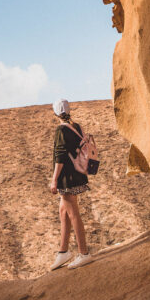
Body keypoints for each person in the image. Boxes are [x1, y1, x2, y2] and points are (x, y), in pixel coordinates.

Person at [48, 99, 94, 270]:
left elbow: (60, 157)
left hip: (67, 178)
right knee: (63, 212)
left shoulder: (61, 130)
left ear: (55, 113)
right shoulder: (77, 127)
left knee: (73, 213)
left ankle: (84, 253)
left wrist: (54, 179)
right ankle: (63, 252)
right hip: (78, 174)